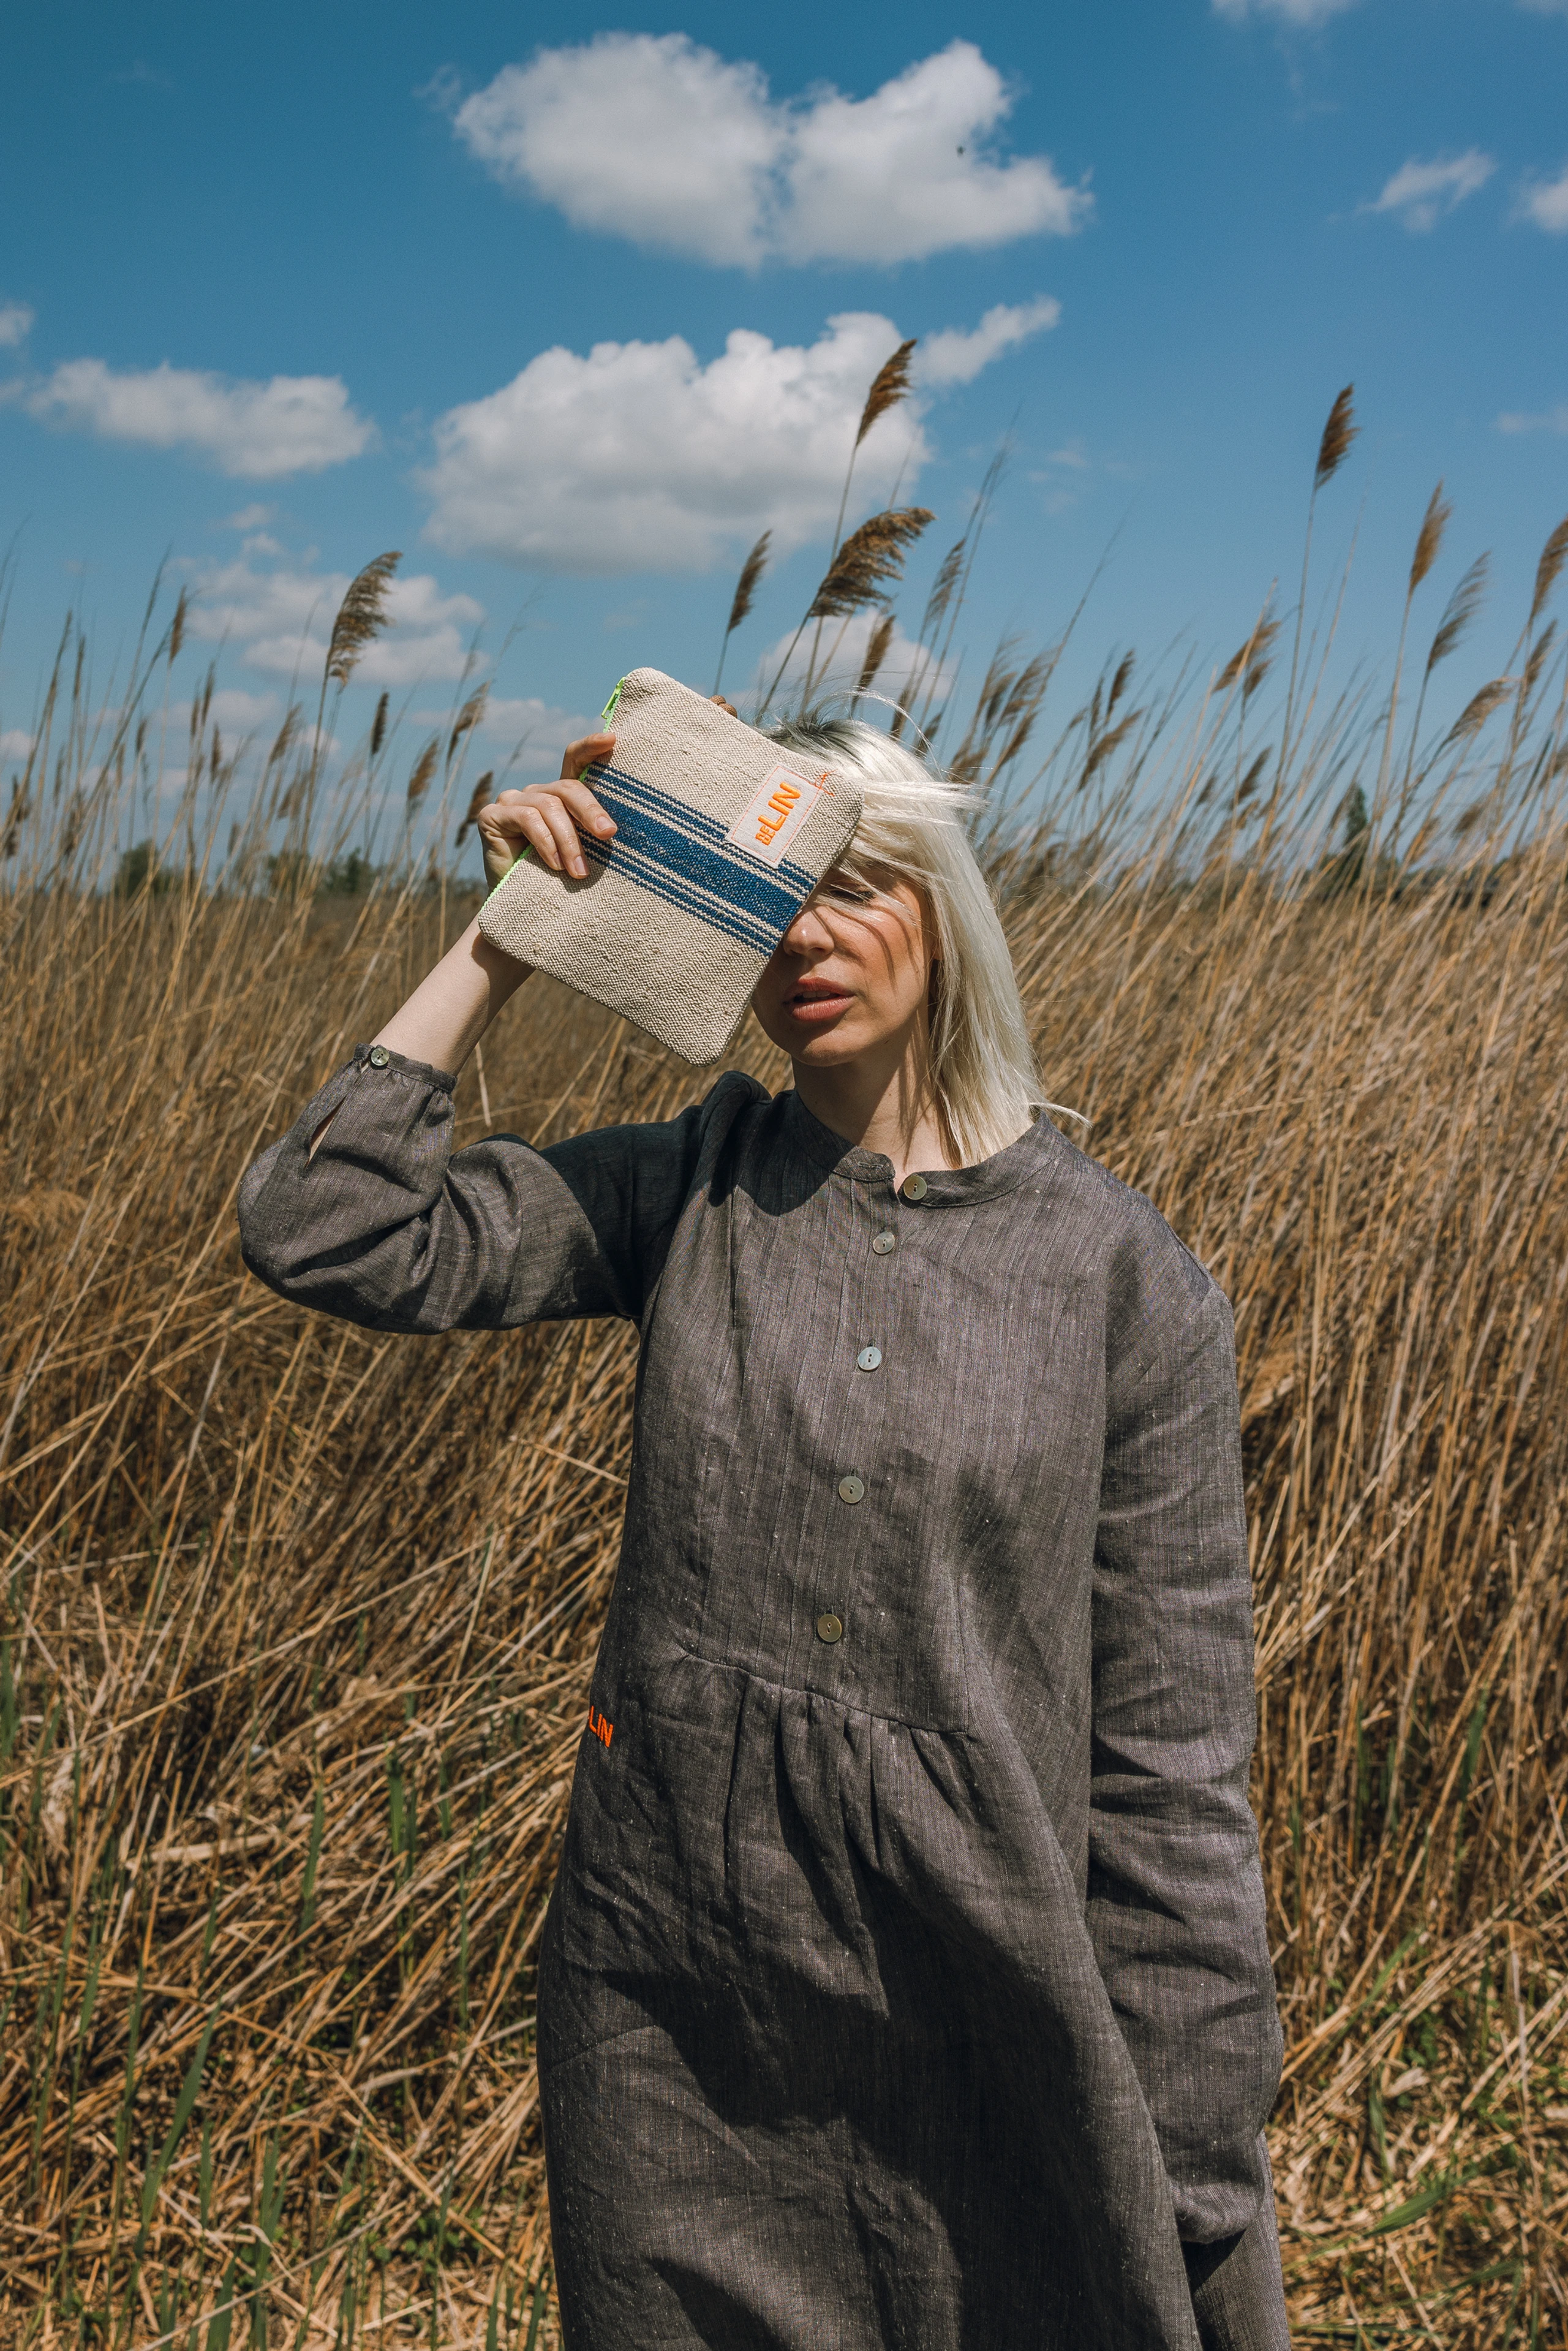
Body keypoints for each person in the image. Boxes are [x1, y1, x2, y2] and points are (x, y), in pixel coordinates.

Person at [238, 711, 1289, 2351]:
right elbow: (329, 1225)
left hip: (979, 2016)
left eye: (854, 889)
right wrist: (504, 936)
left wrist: (1202, 2166)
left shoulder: (1123, 1283)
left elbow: (1173, 1774)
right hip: (675, 2007)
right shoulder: (689, 1187)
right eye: (770, 898)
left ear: (937, 913)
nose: (807, 936)